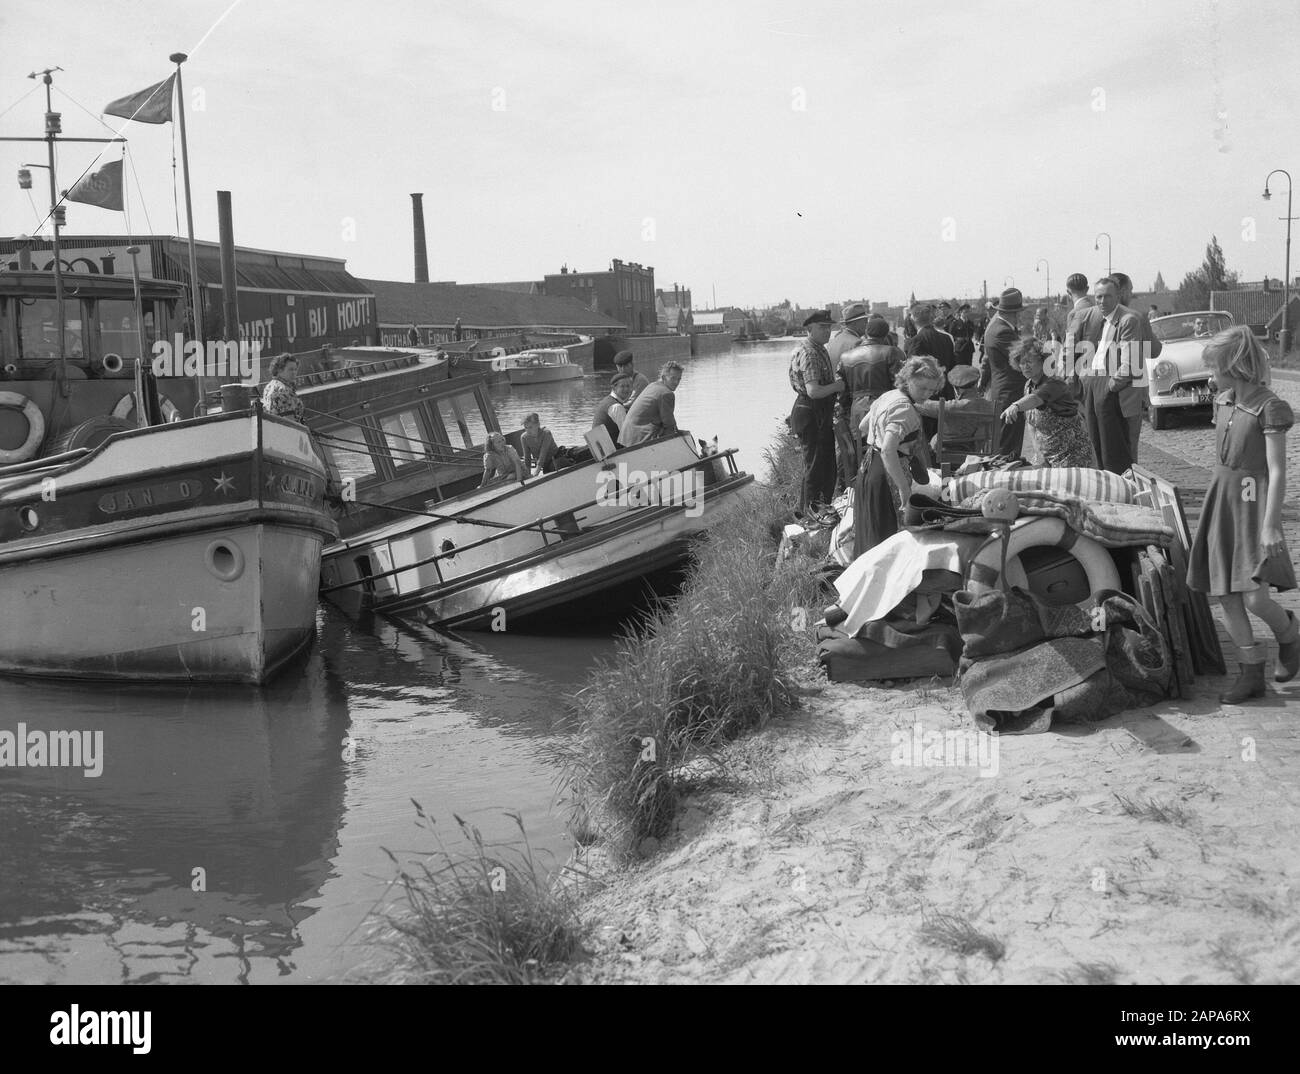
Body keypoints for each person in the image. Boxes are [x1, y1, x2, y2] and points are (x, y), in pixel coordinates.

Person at [1187, 326, 1300, 702]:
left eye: (1214, 369)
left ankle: (1290, 636)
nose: (1210, 376)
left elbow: (1278, 469)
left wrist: (1271, 524)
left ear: (1234, 366)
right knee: (1226, 595)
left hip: (1253, 508)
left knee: (1254, 597)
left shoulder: (1270, 407)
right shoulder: (1222, 401)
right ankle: (1251, 673)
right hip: (1222, 500)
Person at [856, 356, 945, 554]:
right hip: (887, 474)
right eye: (922, 388)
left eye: (932, 390)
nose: (927, 394)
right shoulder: (904, 408)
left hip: (869, 467)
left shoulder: (889, 395)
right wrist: (903, 487)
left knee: (872, 534)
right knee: (889, 539)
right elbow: (888, 449)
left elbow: (863, 427)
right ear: (908, 380)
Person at [1070, 276, 1136, 474]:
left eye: (1107, 296)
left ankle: (1121, 488)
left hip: (1109, 387)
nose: (1102, 301)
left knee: (1113, 448)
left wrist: (1112, 386)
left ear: (1118, 296)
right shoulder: (1096, 318)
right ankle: (1103, 485)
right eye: (1098, 297)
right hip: (1091, 383)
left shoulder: (1127, 319)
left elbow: (1130, 361)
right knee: (1095, 443)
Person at [1001, 338, 1095, 467]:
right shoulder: (1028, 385)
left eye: (1029, 361)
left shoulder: (1054, 383)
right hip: (1047, 458)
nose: (1025, 366)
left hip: (1072, 455)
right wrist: (1039, 454)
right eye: (1022, 362)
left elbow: (1035, 399)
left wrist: (1015, 406)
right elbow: (1032, 425)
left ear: (1042, 361)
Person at [787, 311, 843, 519]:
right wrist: (838, 385)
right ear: (809, 329)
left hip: (811, 410)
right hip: (813, 410)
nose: (827, 331)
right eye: (822, 327)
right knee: (818, 466)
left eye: (829, 327)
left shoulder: (813, 348)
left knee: (818, 464)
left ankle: (807, 511)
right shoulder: (810, 352)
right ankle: (813, 515)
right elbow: (814, 391)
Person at [836, 315, 906, 470]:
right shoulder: (892, 352)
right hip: (886, 409)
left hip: (857, 411)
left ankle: (860, 483)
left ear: (866, 333)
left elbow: (842, 392)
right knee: (889, 449)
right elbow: (902, 386)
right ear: (885, 334)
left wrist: (846, 412)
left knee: (860, 451)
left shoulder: (846, 357)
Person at [1111, 272, 1162, 463]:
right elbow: (1153, 350)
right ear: (1122, 291)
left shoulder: (1094, 315)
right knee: (1130, 444)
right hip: (1130, 388)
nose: (1132, 294)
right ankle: (1130, 483)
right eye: (1130, 290)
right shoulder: (1136, 317)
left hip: (1100, 389)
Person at [982, 288, 1027, 457]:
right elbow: (1025, 356)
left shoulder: (998, 327)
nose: (1020, 316)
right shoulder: (1002, 331)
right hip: (1009, 394)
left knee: (1007, 444)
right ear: (1014, 313)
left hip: (1005, 392)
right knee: (1007, 448)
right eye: (1019, 312)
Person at [914, 364, 995, 456]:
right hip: (974, 454)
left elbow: (921, 405)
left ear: (956, 389)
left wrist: (910, 396)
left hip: (945, 453)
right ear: (976, 384)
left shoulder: (951, 407)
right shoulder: (990, 407)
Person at [620, 361, 683, 447]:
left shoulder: (652, 385)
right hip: (639, 439)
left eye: (679, 379)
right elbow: (670, 425)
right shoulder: (666, 393)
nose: (676, 382)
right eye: (673, 378)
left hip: (626, 437)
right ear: (664, 378)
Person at [262, 353, 304, 422]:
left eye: (295, 369)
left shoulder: (269, 386)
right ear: (279, 370)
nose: (294, 372)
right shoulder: (282, 390)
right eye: (290, 369)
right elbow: (290, 422)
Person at [593, 373, 633, 443]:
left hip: (600, 447)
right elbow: (627, 436)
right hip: (612, 450)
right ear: (614, 388)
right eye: (622, 386)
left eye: (628, 386)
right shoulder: (617, 407)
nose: (626, 389)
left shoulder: (606, 400)